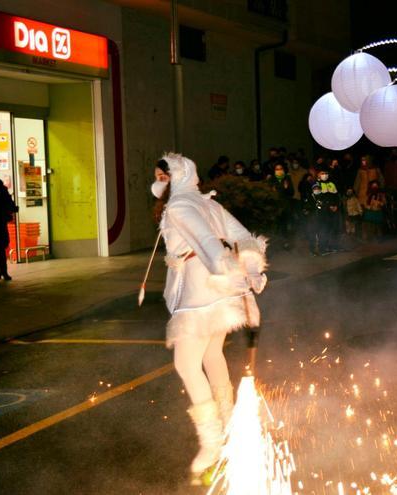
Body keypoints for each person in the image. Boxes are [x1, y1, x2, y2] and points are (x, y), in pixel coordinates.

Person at [150, 153, 267, 481]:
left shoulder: (180, 206)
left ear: (175, 175)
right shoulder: (208, 204)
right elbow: (243, 236)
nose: (158, 181)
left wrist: (229, 270)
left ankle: (212, 444)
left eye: (162, 175)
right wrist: (252, 269)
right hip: (219, 285)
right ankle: (229, 425)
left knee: (186, 364)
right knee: (212, 354)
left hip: (202, 286)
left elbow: (206, 244)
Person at [314, 169, 341, 253]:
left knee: (333, 228)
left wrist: (336, 205)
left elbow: (336, 196)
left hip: (333, 210)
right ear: (318, 175)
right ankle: (323, 247)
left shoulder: (331, 184)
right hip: (323, 211)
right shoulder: (316, 184)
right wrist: (328, 206)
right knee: (323, 229)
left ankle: (332, 246)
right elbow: (317, 198)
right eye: (322, 173)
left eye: (326, 173)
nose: (325, 175)